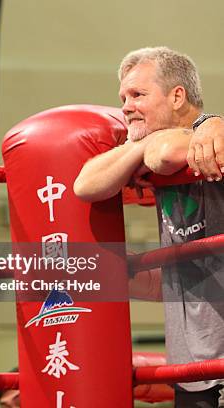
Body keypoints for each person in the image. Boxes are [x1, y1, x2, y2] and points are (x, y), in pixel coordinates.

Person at [74, 46, 224, 407]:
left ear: (177, 96)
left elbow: (167, 154)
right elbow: (85, 184)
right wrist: (137, 149)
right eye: (123, 97)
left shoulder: (213, 139)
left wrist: (147, 146)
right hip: (191, 364)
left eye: (138, 95)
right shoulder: (151, 149)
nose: (126, 106)